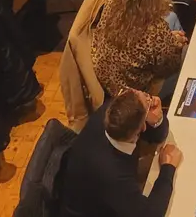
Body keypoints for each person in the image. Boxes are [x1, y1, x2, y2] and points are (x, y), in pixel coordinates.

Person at [56, 88, 180, 217]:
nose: (151, 98)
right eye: (148, 100)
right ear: (142, 127)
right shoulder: (113, 174)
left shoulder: (113, 113)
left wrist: (157, 120)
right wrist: (168, 168)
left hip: (104, 194)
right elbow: (150, 214)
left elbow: (157, 136)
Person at [88, 0, 187, 98]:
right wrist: (174, 43)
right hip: (134, 92)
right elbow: (168, 68)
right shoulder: (155, 31)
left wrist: (168, 40)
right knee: (187, 52)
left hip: (107, 77)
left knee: (172, 17)